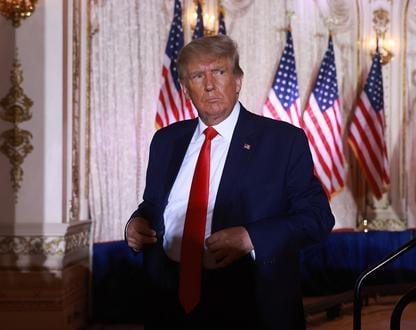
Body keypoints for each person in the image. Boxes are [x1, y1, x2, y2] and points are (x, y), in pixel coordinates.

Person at [126, 34, 334, 329]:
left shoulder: (282, 141)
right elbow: (153, 206)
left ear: (237, 80)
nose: (209, 84)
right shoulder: (165, 142)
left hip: (250, 305)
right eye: (198, 76)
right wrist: (135, 223)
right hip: (168, 302)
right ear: (186, 89)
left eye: (219, 72)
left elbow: (317, 218)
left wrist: (252, 237)